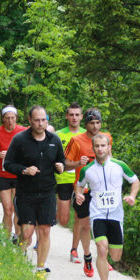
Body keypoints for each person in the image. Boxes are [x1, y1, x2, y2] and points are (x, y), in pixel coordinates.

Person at [75, 134, 140, 280]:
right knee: (101, 248)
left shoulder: (120, 165)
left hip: (116, 215)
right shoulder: (87, 170)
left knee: (116, 255)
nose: (100, 149)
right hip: (98, 214)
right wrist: (78, 195)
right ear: (93, 148)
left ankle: (108, 262)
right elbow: (79, 185)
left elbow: (135, 181)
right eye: (97, 146)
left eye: (103, 146)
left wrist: (132, 196)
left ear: (109, 147)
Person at [4, 105, 65, 274]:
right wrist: (24, 169)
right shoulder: (19, 140)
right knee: (27, 232)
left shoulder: (54, 140)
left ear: (47, 121)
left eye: (43, 120)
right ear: (30, 120)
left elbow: (62, 161)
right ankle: (19, 259)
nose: (40, 123)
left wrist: (61, 166)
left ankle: (40, 266)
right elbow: (7, 164)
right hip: (25, 192)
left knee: (45, 230)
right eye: (37, 120)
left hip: (47, 192)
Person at [65, 108, 112, 278]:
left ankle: (103, 258)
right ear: (86, 124)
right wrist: (78, 162)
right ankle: (87, 255)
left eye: (98, 122)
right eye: (91, 123)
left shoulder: (107, 138)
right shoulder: (77, 140)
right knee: (84, 225)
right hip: (83, 189)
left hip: (102, 190)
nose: (95, 126)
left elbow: (110, 159)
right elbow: (64, 164)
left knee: (104, 224)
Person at [0, 105, 27, 243]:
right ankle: (5, 239)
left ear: (16, 118)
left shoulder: (23, 131)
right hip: (2, 174)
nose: (10, 121)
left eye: (13, 118)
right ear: (3, 119)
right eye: (7, 118)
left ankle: (16, 237)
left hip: (18, 175)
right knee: (8, 209)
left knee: (17, 208)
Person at [55, 102, 85, 263]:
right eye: (71, 115)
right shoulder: (59, 135)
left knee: (80, 216)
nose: (74, 118)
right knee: (63, 220)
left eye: (77, 115)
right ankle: (55, 209)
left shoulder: (88, 135)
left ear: (81, 117)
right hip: (64, 179)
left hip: (82, 181)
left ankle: (74, 250)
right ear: (67, 116)